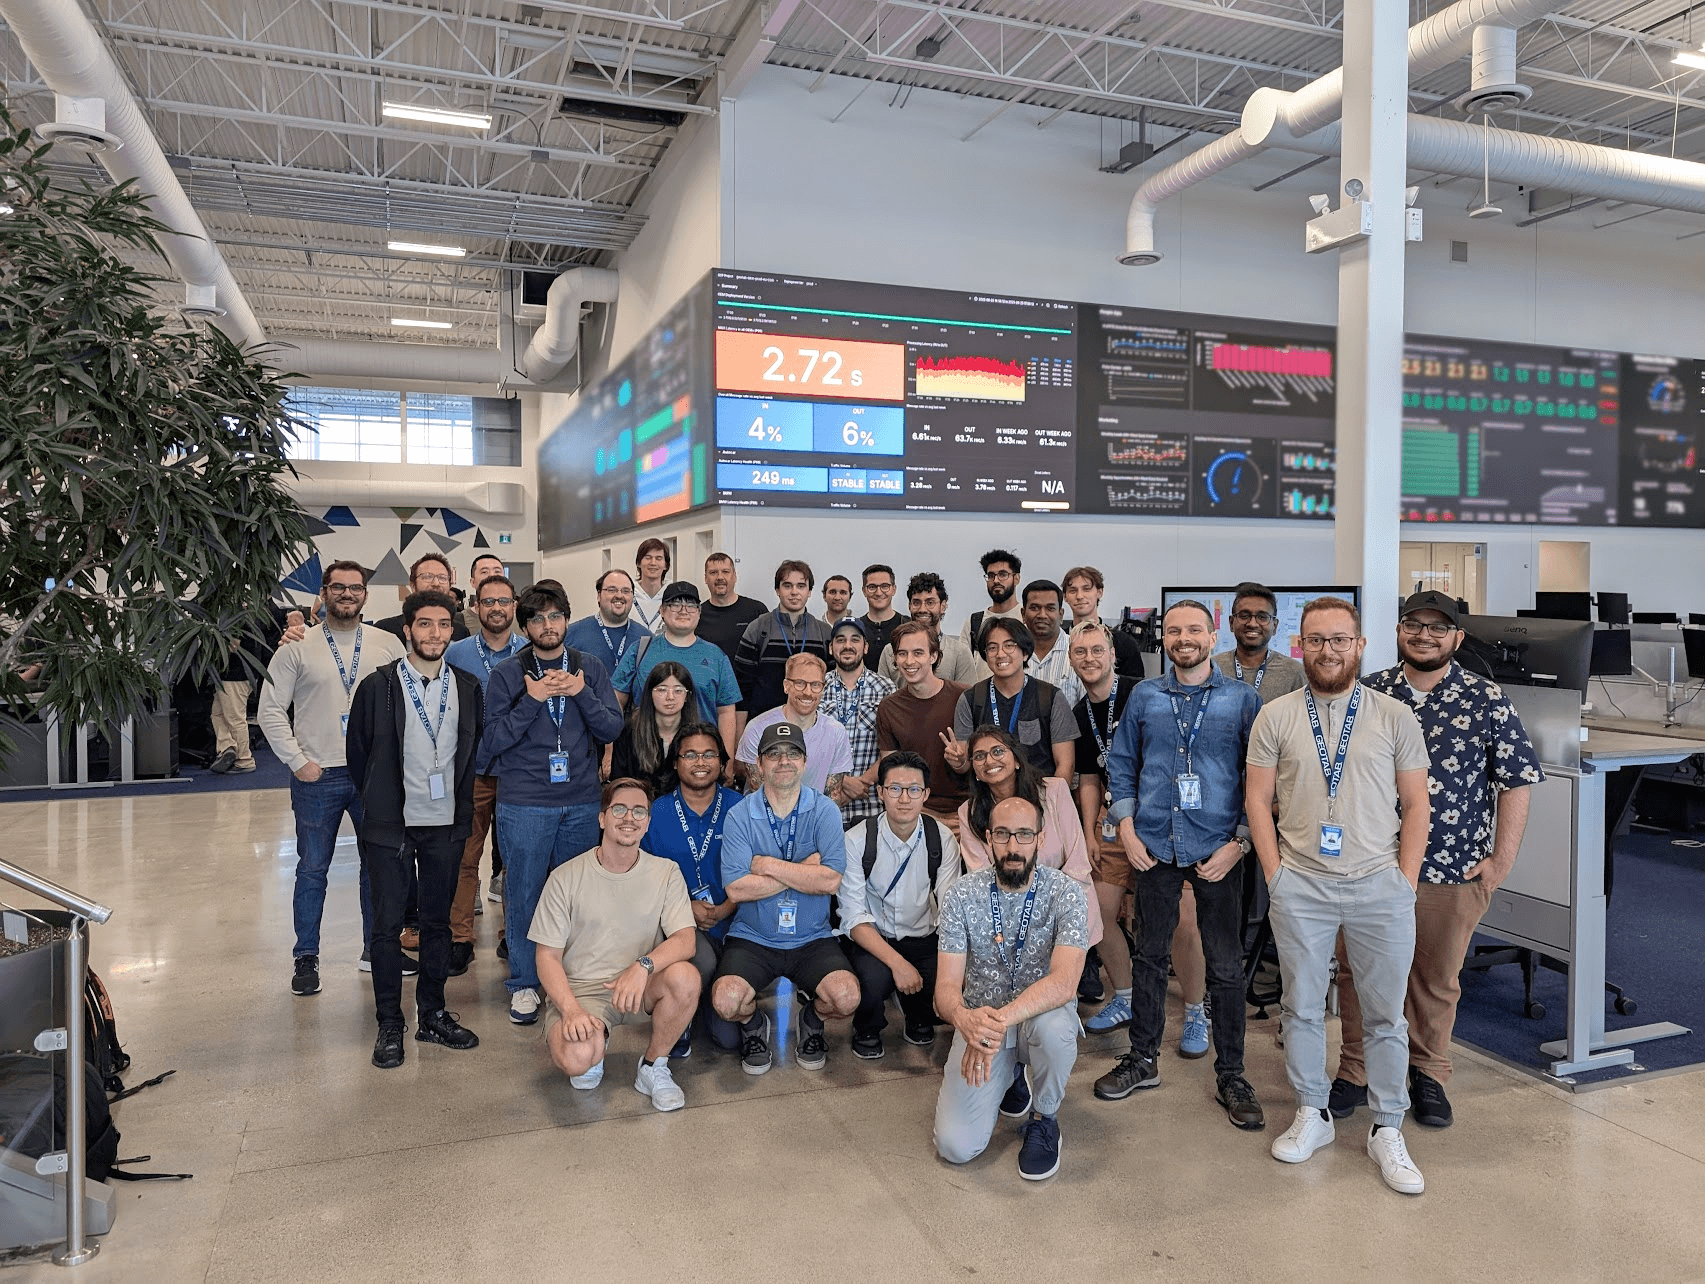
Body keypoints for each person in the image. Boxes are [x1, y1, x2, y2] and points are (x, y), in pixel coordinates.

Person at [1331, 591, 1541, 1130]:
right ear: (1399, 630)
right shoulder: (1368, 692)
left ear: (1457, 638)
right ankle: (1355, 1071)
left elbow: (1515, 780)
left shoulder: (1484, 698)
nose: (1424, 635)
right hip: (1369, 865)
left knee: (1435, 977)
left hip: (1452, 867)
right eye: (1414, 624)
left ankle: (1427, 1073)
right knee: (1360, 974)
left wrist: (1500, 861)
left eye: (1437, 627)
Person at [1245, 595, 1432, 1195]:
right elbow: (1257, 801)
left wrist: (1404, 878)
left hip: (1380, 884)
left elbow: (1417, 804)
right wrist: (1276, 874)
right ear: (1301, 646)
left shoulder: (1395, 716)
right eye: (1316, 639)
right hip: (1301, 883)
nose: (1328, 650)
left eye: (1339, 639)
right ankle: (1312, 1112)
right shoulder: (1274, 716)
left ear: (1360, 645)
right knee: (1300, 1007)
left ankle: (1387, 1127)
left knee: (1384, 1015)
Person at [1092, 600, 1265, 1130]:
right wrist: (1126, 829)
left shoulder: (1242, 700)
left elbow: (1259, 778)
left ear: (1213, 637)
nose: (1183, 638)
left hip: (1218, 851)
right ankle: (1143, 1059)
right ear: (1163, 639)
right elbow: (1120, 768)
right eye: (1173, 631)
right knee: (1148, 957)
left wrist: (1239, 843)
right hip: (1154, 847)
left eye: (1194, 630)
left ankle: (1232, 1073)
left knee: (1226, 965)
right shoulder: (1144, 696)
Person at [345, 590, 483, 1068]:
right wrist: (381, 803)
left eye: (444, 625)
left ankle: (433, 1013)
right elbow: (358, 755)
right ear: (408, 630)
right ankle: (389, 1022)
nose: (435, 634)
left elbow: (471, 750)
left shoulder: (466, 686)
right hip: (391, 825)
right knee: (386, 928)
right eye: (425, 624)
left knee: (437, 924)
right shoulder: (377, 687)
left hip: (445, 823)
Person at [482, 582, 625, 1025]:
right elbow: (492, 739)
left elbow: (611, 729)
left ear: (566, 619)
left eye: (556, 616)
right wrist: (534, 699)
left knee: (579, 895)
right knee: (524, 892)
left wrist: (579, 693)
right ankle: (525, 983)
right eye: (538, 618)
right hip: (525, 802)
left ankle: (575, 977)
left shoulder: (590, 668)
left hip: (581, 801)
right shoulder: (508, 674)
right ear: (525, 627)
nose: (548, 625)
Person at [259, 560, 406, 994]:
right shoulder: (296, 646)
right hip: (316, 776)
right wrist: (296, 761)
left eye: (355, 588)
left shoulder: (387, 644)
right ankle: (306, 957)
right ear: (323, 593)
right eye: (337, 587)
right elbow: (269, 709)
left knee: (375, 869)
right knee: (312, 870)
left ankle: (374, 949)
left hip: (374, 777)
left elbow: (408, 704)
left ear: (366, 595)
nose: (347, 594)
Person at [933, 794, 1088, 1181]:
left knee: (1053, 1029)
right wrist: (963, 1019)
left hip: (1025, 1020)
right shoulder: (961, 895)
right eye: (1003, 835)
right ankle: (1013, 1077)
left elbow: (1065, 984)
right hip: (981, 1026)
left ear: (1040, 838)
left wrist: (995, 1023)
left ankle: (1044, 1118)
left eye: (1023, 834)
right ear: (988, 839)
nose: (1013, 847)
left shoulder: (1066, 893)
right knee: (955, 1147)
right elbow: (946, 989)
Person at [529, 778, 701, 1112]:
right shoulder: (565, 877)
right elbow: (547, 956)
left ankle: (653, 1066)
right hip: (583, 991)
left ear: (647, 822)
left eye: (639, 811)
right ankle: (595, 1042)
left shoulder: (665, 872)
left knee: (686, 977)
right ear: (602, 817)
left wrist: (643, 966)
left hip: (639, 985)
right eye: (619, 809)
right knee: (578, 1060)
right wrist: (571, 1010)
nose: (629, 818)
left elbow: (685, 940)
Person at [711, 722, 859, 1075]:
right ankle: (753, 1025)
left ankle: (811, 1017)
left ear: (804, 762)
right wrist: (802, 869)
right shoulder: (740, 814)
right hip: (753, 937)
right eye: (773, 754)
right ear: (758, 765)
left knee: (846, 997)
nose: (783, 761)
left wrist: (767, 866)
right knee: (726, 1002)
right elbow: (736, 889)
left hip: (813, 937)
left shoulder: (825, 810)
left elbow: (831, 881)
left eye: (792, 753)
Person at [841, 749, 962, 1062]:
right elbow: (854, 919)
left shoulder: (942, 839)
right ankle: (867, 1028)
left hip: (924, 937)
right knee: (871, 982)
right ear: (881, 793)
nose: (904, 798)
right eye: (894, 789)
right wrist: (898, 964)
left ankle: (917, 1014)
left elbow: (951, 911)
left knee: (945, 992)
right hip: (873, 938)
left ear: (926, 795)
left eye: (913, 790)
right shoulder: (857, 840)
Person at [641, 726, 744, 1057]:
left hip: (737, 921)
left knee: (729, 1041)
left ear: (722, 762)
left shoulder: (740, 807)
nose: (700, 762)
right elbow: (641, 878)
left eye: (709, 754)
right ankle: (680, 1010)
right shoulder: (655, 812)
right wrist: (685, 906)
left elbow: (757, 868)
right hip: (680, 925)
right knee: (697, 962)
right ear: (676, 762)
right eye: (690, 754)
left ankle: (710, 1003)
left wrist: (727, 907)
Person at [443, 573, 526, 973]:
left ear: (514, 606)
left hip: (518, 773)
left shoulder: (531, 650)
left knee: (515, 859)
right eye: (488, 601)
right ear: (476, 607)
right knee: (464, 856)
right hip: (471, 769)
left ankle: (514, 934)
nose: (496, 608)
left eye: (504, 601)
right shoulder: (456, 653)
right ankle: (460, 937)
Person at [955, 725, 1099, 938]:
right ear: (974, 770)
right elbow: (981, 877)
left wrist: (1054, 912)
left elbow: (1077, 863)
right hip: (1008, 919)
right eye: (979, 756)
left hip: (1066, 911)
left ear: (1017, 760)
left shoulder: (1054, 792)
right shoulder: (969, 812)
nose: (989, 761)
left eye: (998, 751)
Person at [1066, 621, 1138, 1034]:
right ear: (1071, 658)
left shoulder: (1140, 694)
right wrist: (1090, 833)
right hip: (1109, 821)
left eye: (1097, 650)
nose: (1089, 659)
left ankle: (1196, 1008)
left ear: (1112, 654)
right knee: (1099, 913)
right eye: (1081, 652)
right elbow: (1090, 778)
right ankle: (1125, 997)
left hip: (1155, 819)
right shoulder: (1079, 714)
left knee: (1177, 919)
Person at [610, 581, 740, 756]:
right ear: (662, 611)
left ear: (699, 613)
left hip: (700, 756)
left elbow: (726, 712)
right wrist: (610, 749)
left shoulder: (715, 656)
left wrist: (727, 761)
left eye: (691, 605)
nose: (683, 610)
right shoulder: (641, 650)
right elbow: (615, 700)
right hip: (645, 753)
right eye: (675, 604)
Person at [947, 616, 1076, 780]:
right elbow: (966, 765)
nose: (1000, 654)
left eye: (1009, 646)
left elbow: (1065, 766)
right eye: (992, 648)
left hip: (1039, 796)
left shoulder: (1051, 697)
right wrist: (959, 762)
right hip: (990, 796)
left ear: (1025, 653)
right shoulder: (971, 699)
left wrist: (1050, 802)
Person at [874, 621, 969, 837]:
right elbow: (891, 770)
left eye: (918, 653)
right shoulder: (889, 707)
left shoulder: (964, 697)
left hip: (964, 811)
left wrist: (962, 763)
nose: (909, 661)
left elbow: (981, 763)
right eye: (902, 654)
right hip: (917, 813)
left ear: (933, 656)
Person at [735, 653, 855, 797]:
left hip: (814, 818)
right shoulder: (757, 729)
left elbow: (832, 797)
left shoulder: (836, 732)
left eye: (815, 685)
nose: (808, 692)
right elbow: (759, 796)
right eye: (800, 683)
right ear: (786, 686)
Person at [820, 618, 895, 829]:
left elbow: (893, 749)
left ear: (865, 647)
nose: (847, 646)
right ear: (831, 647)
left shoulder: (886, 689)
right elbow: (808, 746)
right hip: (824, 807)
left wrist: (861, 783)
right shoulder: (816, 687)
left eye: (855, 639)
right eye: (840, 640)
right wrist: (842, 783)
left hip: (871, 808)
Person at [734, 559, 834, 717]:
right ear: (777, 590)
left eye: (801, 586)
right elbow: (742, 688)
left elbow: (831, 686)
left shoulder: (824, 632)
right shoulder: (758, 628)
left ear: (809, 592)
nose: (794, 592)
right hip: (764, 724)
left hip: (810, 724)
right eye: (787, 586)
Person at [878, 573, 986, 686]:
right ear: (909, 606)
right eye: (916, 603)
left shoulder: (959, 653)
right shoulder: (890, 651)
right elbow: (883, 697)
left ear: (943, 606)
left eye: (930, 602)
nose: (922, 609)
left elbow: (967, 699)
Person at [609, 662, 696, 798]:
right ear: (650, 693)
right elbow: (619, 781)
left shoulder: (698, 734)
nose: (670, 697)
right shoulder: (629, 730)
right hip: (639, 809)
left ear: (687, 696)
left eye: (678, 690)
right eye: (662, 690)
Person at [1212, 582, 1305, 702]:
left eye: (1262, 617)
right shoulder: (1212, 668)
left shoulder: (1295, 673)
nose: (1252, 624)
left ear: (1275, 626)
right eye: (1244, 615)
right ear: (1231, 623)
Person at [1062, 565, 1146, 679]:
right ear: (1065, 597)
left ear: (1100, 592)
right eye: (1073, 590)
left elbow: (1134, 688)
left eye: (1086, 589)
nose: (1079, 596)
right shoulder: (1058, 641)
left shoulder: (1123, 643)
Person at [564, 569, 650, 679]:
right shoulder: (571, 634)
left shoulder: (646, 639)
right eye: (612, 590)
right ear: (599, 595)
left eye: (626, 591)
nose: (619, 595)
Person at [375, 554, 471, 643]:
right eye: (427, 577)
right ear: (413, 586)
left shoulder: (461, 632)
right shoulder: (385, 630)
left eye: (442, 578)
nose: (436, 583)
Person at [1020, 579, 1084, 707]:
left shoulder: (1079, 651)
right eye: (1034, 608)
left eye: (1050, 608)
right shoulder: (1011, 653)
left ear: (1060, 615)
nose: (1042, 615)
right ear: (1023, 614)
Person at [959, 548, 1023, 647]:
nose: (996, 580)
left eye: (1003, 574)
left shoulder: (1027, 619)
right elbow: (963, 661)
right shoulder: (974, 623)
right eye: (991, 575)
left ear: (1016, 579)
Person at [856, 563, 904, 662]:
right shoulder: (855, 628)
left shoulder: (907, 626)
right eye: (872, 587)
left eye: (885, 586)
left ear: (894, 589)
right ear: (864, 591)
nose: (878, 593)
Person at [459, 554, 507, 637]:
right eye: (484, 572)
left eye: (497, 571)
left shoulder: (519, 619)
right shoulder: (460, 620)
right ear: (472, 582)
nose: (492, 575)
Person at [631, 537, 671, 633]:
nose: (653, 563)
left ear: (666, 565)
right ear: (638, 563)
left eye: (658, 558)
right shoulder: (628, 594)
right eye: (648, 558)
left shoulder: (672, 596)